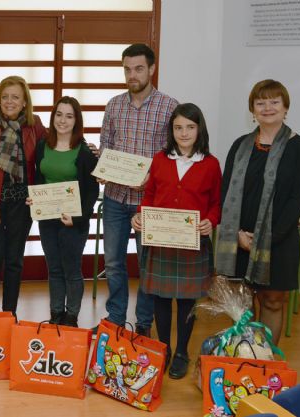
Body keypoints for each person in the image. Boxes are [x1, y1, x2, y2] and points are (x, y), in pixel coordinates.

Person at [217, 79, 300, 346]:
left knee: (271, 302)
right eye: (261, 102)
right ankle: (242, 357)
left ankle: (264, 360)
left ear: (285, 108)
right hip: (240, 240)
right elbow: (226, 192)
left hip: (278, 240)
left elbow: (297, 199)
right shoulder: (240, 145)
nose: (267, 107)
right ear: (253, 110)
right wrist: (236, 234)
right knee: (242, 304)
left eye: (274, 102)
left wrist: (265, 238)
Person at [131, 103, 221, 378]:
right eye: (178, 127)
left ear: (199, 129)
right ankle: (165, 348)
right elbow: (149, 196)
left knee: (186, 302)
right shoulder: (159, 159)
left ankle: (182, 351)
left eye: (190, 127)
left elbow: (217, 203)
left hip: (192, 244)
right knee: (159, 298)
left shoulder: (211, 163)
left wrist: (211, 221)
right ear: (171, 130)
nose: (184, 133)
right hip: (160, 242)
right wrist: (140, 215)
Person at [96, 43, 178, 336]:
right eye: (127, 69)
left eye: (139, 68)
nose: (132, 75)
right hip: (116, 198)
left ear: (152, 69)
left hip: (150, 202)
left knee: (148, 265)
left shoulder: (170, 106)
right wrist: (103, 169)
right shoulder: (114, 104)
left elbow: (174, 155)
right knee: (114, 262)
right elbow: (106, 144)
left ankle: (143, 323)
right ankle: (116, 317)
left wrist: (152, 178)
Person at [0, 75, 47, 315]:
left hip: (21, 205)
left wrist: (84, 148)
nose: (9, 101)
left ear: (25, 102)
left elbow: (51, 153)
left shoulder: (36, 126)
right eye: (5, 97)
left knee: (14, 262)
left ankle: (9, 314)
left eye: (15, 97)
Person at [29, 96, 98, 327]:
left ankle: (71, 317)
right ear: (53, 116)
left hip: (73, 222)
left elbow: (91, 191)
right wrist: (35, 198)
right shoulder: (43, 146)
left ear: (76, 120)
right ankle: (56, 314)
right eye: (59, 114)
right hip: (48, 219)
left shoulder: (84, 151)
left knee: (72, 269)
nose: (63, 120)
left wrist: (78, 218)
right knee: (54, 268)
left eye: (69, 116)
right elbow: (39, 179)